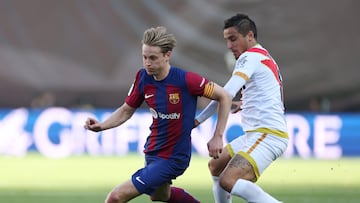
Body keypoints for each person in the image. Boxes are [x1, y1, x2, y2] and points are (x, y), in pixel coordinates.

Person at [84, 26, 232, 203]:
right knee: (160, 195)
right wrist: (101, 126)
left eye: (153, 58)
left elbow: (224, 96)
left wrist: (218, 136)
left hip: (173, 157)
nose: (147, 63)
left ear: (167, 55)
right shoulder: (143, 78)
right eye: (144, 57)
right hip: (153, 151)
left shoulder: (185, 80)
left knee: (116, 197)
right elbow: (126, 110)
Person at [195, 13, 289, 203]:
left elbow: (225, 94)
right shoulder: (262, 56)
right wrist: (246, 103)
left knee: (229, 180)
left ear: (250, 36)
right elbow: (263, 91)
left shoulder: (250, 56)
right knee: (216, 166)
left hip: (267, 135)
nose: (229, 46)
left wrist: (211, 131)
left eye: (233, 39)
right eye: (226, 40)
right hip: (257, 133)